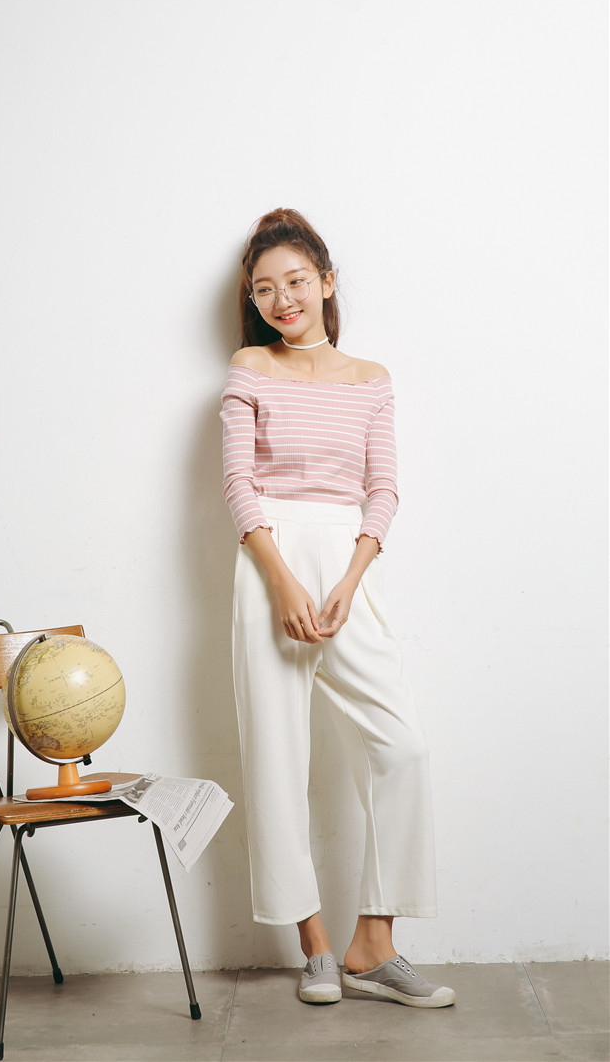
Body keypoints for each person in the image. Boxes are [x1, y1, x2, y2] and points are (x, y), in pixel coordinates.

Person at [220, 208, 455, 1008]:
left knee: (404, 748)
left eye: (295, 281)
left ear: (326, 282)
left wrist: (352, 577)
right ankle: (315, 945)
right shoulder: (251, 365)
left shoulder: (370, 378)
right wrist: (282, 580)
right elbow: (238, 484)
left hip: (349, 565)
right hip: (270, 560)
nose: (282, 299)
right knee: (278, 757)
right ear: (253, 301)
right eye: (264, 289)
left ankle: (372, 943)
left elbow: (383, 489)